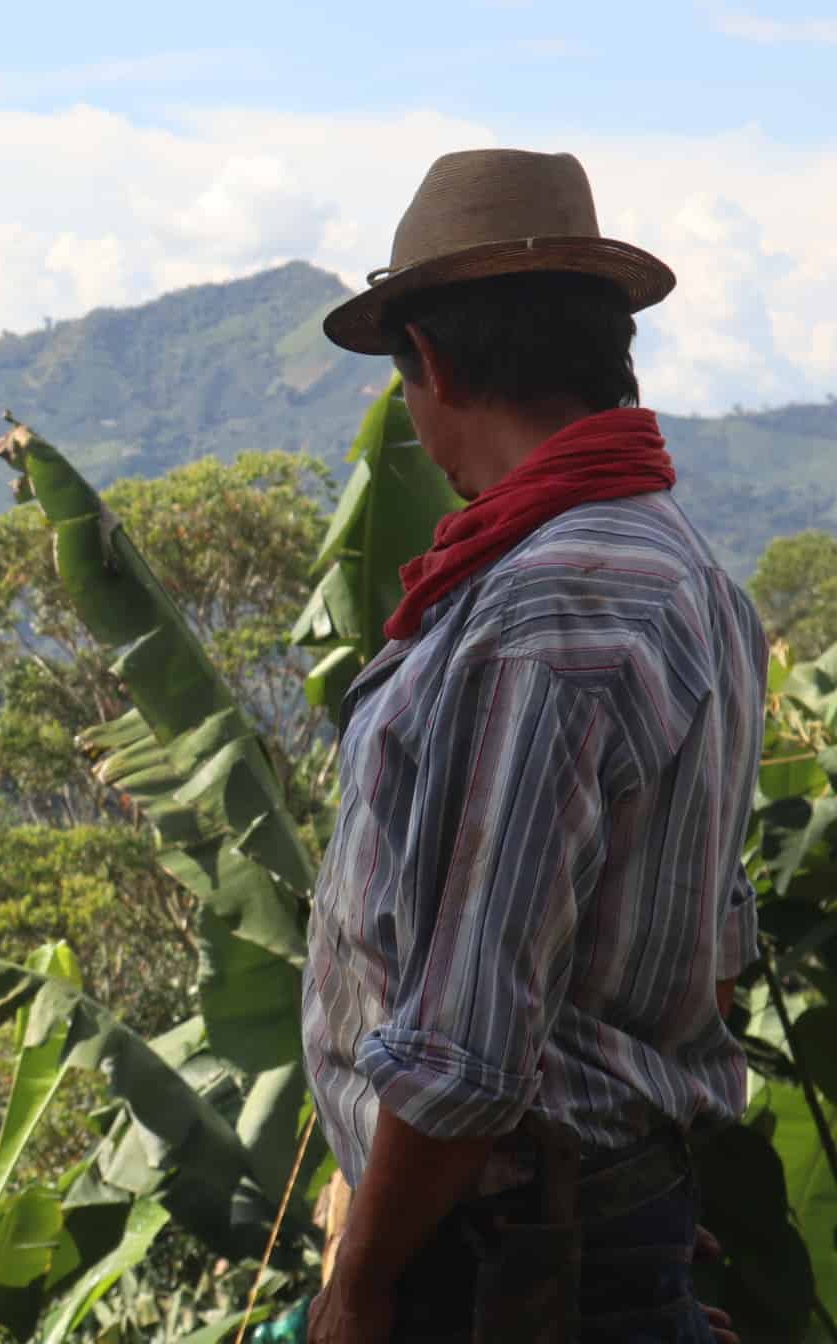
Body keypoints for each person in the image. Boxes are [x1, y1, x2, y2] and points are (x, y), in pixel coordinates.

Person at [301, 150, 764, 1343]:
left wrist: (358, 1288)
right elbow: (703, 947)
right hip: (585, 1228)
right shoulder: (692, 574)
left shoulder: (538, 613)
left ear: (434, 365)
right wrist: (625, 1202)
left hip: (489, 1275)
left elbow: (465, 1046)